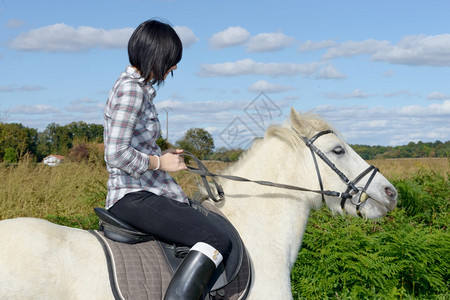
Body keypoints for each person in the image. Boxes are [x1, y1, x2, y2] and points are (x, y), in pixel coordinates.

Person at [103, 19, 231, 300]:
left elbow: (131, 147)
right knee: (217, 239)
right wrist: (160, 164)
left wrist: (160, 156)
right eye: (171, 60)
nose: (174, 67)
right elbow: (114, 153)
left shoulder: (139, 89)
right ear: (156, 56)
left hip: (145, 189)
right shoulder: (132, 91)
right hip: (133, 196)